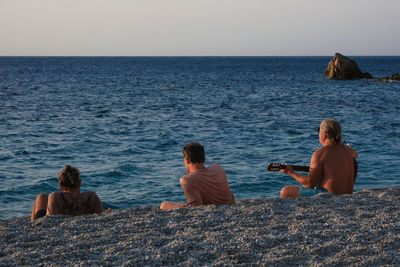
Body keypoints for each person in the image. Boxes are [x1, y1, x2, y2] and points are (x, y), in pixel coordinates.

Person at [280, 118, 358, 198]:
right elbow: (355, 154)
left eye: (319, 131)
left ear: (323, 135)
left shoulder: (320, 153)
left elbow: (310, 183)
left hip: (329, 196)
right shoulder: (349, 151)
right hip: (348, 195)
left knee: (285, 191)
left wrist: (291, 172)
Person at [160, 142, 235, 210]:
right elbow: (231, 196)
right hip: (230, 207)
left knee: (164, 205)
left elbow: (197, 209)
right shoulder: (217, 167)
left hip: (215, 212)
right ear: (204, 158)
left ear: (187, 160)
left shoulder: (187, 180)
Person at [31, 165, 104, 221]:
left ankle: (33, 226)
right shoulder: (91, 196)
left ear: (60, 186)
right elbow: (101, 215)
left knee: (41, 197)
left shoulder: (55, 197)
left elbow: (50, 220)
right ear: (80, 183)